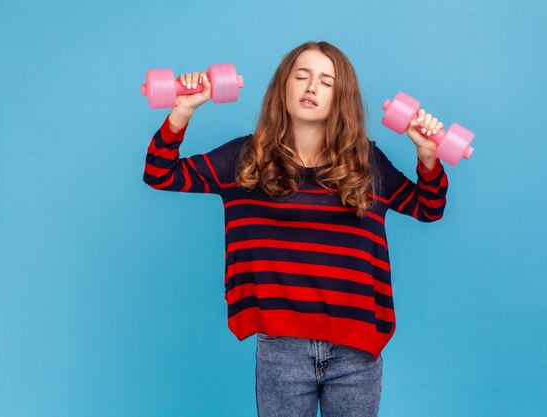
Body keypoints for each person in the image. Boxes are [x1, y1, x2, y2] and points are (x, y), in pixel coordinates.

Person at [143, 40, 448, 417]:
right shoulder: (245, 159)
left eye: (326, 81)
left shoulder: (366, 163)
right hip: (281, 348)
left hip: (356, 349)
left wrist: (427, 155)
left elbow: (428, 207)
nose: (311, 87)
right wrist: (182, 111)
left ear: (341, 98)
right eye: (301, 76)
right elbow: (159, 174)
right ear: (282, 87)